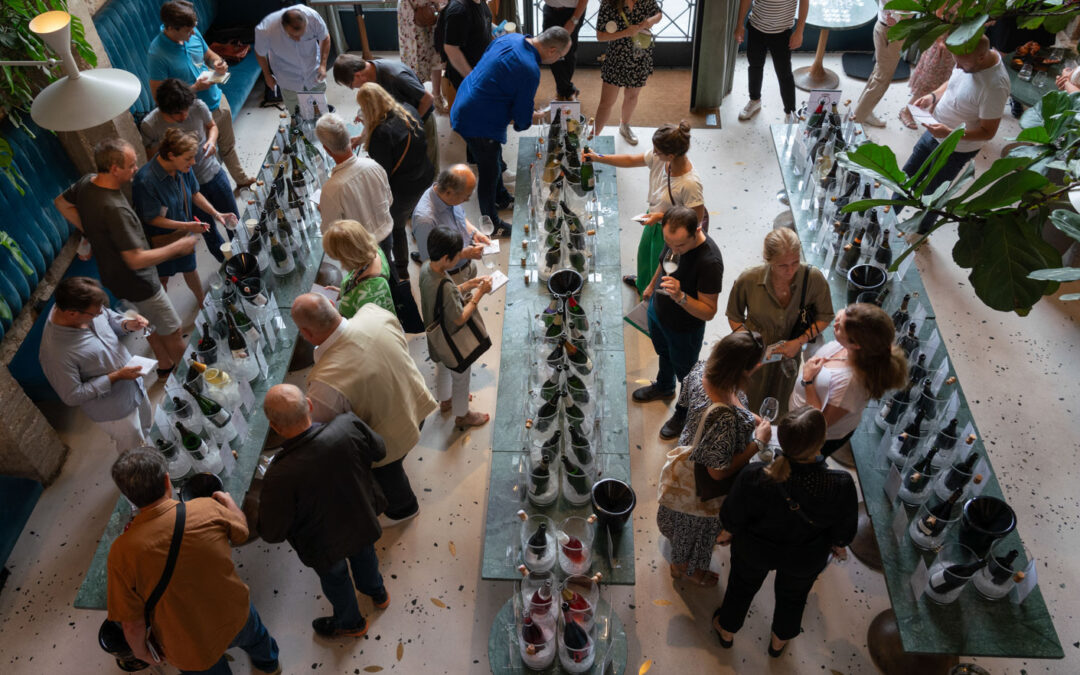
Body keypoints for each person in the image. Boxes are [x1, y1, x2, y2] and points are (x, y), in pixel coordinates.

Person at [106, 448, 281, 674]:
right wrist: (228, 503)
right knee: (258, 641)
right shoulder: (207, 508)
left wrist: (141, 652)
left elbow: (132, 623)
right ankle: (270, 667)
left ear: (129, 497)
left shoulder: (121, 553)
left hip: (189, 642)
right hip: (234, 612)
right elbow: (241, 533)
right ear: (167, 481)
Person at [712, 407, 858, 657]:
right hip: (805, 557)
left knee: (741, 587)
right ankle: (779, 639)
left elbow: (731, 516)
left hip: (754, 549)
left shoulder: (755, 475)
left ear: (782, 438)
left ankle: (727, 629)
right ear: (822, 441)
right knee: (794, 597)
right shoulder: (840, 484)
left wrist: (727, 533)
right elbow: (843, 535)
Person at [291, 293, 438, 525]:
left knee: (390, 475)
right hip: (417, 402)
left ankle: (403, 510)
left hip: (388, 443)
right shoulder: (374, 312)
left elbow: (322, 428)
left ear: (306, 334)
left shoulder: (324, 383)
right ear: (331, 304)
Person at [53, 139, 193, 378]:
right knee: (173, 330)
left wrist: (91, 231)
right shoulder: (116, 209)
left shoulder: (87, 182)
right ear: (114, 169)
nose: (136, 168)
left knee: (145, 321)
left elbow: (61, 203)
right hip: (141, 283)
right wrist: (178, 246)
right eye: (131, 165)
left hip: (113, 278)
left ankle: (163, 364)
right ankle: (195, 381)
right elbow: (136, 260)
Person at [259, 384, 389, 639]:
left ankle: (351, 622)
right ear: (309, 404)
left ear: (274, 427)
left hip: (323, 545)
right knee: (366, 555)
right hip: (360, 517)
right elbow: (380, 450)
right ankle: (377, 593)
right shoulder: (347, 425)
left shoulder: (279, 475)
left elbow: (272, 533)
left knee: (336, 578)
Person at [657, 332, 771, 586]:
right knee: (693, 526)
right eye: (755, 365)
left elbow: (688, 402)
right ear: (743, 371)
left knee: (681, 521)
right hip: (701, 488)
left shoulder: (701, 371)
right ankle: (683, 568)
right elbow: (717, 473)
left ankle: (681, 556)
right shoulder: (725, 419)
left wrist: (748, 416)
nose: (759, 367)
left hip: (688, 452)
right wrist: (758, 443)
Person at [451, 27, 572, 235]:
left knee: (495, 160)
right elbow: (523, 119)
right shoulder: (530, 70)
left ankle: (501, 198)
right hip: (478, 120)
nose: (559, 60)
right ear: (552, 51)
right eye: (561, 57)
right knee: (489, 171)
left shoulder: (511, 38)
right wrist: (534, 116)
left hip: (466, 99)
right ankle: (491, 223)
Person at [899, 35, 1009, 233]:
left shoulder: (995, 86)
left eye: (961, 63)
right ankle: (886, 214)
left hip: (956, 150)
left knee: (933, 193)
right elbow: (952, 82)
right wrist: (932, 96)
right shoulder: (968, 61)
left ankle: (921, 232)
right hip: (933, 132)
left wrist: (951, 134)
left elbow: (988, 132)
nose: (957, 67)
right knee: (905, 176)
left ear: (981, 58)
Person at [634, 207, 724, 440]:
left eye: (680, 246)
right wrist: (652, 286)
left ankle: (683, 412)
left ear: (697, 230)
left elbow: (709, 311)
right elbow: (664, 262)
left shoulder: (710, 261)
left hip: (685, 328)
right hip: (659, 311)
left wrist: (682, 297)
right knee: (663, 353)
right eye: (669, 243)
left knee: (686, 373)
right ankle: (664, 386)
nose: (674, 249)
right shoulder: (673, 236)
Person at [585, 122, 706, 296]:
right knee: (644, 255)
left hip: (670, 229)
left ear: (671, 155)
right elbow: (631, 160)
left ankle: (652, 295)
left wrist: (662, 217)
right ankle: (641, 284)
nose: (653, 152)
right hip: (653, 217)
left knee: (659, 266)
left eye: (657, 150)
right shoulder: (660, 158)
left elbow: (695, 220)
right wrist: (598, 157)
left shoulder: (690, 184)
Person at [726, 228, 833, 418]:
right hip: (755, 357)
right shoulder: (749, 280)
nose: (791, 271)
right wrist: (751, 345)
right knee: (748, 400)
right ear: (768, 260)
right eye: (783, 265)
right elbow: (734, 316)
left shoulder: (813, 279)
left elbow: (825, 317)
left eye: (795, 262)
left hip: (788, 358)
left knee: (781, 402)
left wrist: (799, 342)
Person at [39, 277, 153, 453]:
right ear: (71, 314)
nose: (100, 313)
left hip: (134, 384)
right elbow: (72, 395)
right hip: (115, 411)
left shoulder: (87, 308)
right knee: (134, 450)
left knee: (147, 428)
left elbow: (108, 317)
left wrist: (126, 324)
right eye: (94, 313)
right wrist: (116, 376)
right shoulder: (55, 353)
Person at [147, 0, 254, 188]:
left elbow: (209, 55)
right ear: (171, 28)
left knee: (228, 145)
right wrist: (194, 88)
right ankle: (215, 189)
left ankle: (241, 179)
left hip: (217, 98)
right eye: (187, 32)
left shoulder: (192, 32)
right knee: (206, 157)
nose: (192, 35)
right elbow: (159, 98)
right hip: (191, 114)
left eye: (193, 29)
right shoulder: (157, 55)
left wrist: (218, 62)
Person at [132, 128, 239, 308]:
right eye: (188, 158)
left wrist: (216, 213)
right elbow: (152, 219)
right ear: (171, 155)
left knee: (190, 267)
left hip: (182, 229)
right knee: (163, 278)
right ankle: (163, 309)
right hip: (160, 238)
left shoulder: (183, 168)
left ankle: (202, 302)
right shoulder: (145, 181)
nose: (194, 161)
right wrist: (187, 226)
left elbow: (194, 193)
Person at [141, 77, 239, 263]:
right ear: (163, 110)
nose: (184, 115)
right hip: (186, 187)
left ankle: (245, 256)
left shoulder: (197, 105)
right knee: (208, 231)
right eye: (178, 114)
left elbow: (212, 127)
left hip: (212, 172)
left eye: (186, 109)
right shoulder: (150, 125)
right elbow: (154, 160)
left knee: (232, 218)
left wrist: (211, 141)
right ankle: (228, 265)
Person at [789, 303, 907, 457]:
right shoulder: (848, 347)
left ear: (856, 345)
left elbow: (819, 424)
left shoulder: (851, 385)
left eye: (839, 327)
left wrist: (808, 380)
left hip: (811, 437)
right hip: (799, 420)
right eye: (841, 314)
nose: (835, 323)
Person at [355, 83, 435, 280]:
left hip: (403, 190)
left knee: (396, 227)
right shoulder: (408, 109)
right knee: (413, 212)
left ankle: (401, 270)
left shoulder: (381, 135)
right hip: (424, 174)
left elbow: (382, 173)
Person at [418, 226, 493, 429]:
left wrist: (468, 285)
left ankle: (446, 400)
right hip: (452, 340)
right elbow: (460, 318)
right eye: (456, 256)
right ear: (445, 258)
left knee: (442, 367)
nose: (459, 259)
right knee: (461, 376)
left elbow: (443, 295)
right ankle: (462, 415)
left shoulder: (426, 268)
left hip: (436, 338)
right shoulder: (446, 284)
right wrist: (479, 294)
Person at [332, 53, 440, 170]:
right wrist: (361, 138)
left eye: (351, 86)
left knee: (430, 168)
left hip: (422, 119)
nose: (354, 89)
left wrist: (412, 124)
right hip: (404, 123)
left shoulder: (395, 76)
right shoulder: (370, 78)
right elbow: (375, 114)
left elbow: (428, 99)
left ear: (358, 75)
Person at [315, 113, 394, 259]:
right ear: (348, 138)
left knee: (372, 279)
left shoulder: (331, 190)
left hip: (361, 249)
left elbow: (330, 232)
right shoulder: (374, 165)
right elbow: (389, 200)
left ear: (327, 149)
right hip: (386, 234)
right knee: (387, 263)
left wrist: (324, 209)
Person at [594, 0, 663, 142]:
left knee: (632, 95)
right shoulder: (609, 3)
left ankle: (624, 126)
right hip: (617, 58)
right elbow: (600, 36)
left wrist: (650, 21)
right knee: (606, 102)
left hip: (641, 56)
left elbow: (658, 14)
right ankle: (592, 137)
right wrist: (626, 33)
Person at [410, 164, 491, 282]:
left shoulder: (447, 197)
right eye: (465, 198)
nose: (467, 200)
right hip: (451, 276)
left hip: (467, 264)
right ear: (449, 192)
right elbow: (431, 262)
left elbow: (460, 217)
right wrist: (463, 254)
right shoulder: (425, 221)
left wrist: (474, 232)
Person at [734, 0, 808, 122]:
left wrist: (799, 31)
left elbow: (804, 2)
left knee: (784, 73)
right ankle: (754, 100)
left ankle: (790, 112)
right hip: (756, 28)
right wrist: (740, 24)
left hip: (782, 32)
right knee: (754, 66)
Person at [254, 4, 331, 112]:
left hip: (313, 70)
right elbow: (260, 53)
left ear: (306, 22)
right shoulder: (266, 29)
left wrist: (323, 65)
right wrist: (267, 75)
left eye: (302, 34)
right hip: (287, 76)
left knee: (320, 109)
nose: (298, 39)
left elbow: (325, 37)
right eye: (293, 36)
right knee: (296, 113)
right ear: (282, 26)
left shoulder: (312, 17)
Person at [851, 1, 911, 127]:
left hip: (883, 26)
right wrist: (897, 16)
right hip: (893, 31)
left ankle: (864, 110)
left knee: (879, 71)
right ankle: (857, 120)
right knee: (882, 77)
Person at [322, 219, 396, 318]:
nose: (341, 262)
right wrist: (342, 292)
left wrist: (333, 316)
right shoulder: (373, 252)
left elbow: (364, 330)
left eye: (339, 258)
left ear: (349, 257)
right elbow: (356, 286)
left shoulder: (370, 293)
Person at [398, 0, 449, 112]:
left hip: (432, 11)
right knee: (416, 59)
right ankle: (418, 98)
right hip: (412, 15)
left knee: (436, 54)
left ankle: (436, 96)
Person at [898, 36, 955, 129]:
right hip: (942, 47)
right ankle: (907, 111)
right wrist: (940, 41)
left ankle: (933, 116)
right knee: (927, 83)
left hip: (957, 50)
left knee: (947, 85)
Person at [442, 0, 494, 93]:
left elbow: (484, 23)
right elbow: (451, 48)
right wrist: (472, 78)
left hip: (482, 73)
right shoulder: (459, 10)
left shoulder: (481, 3)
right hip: (467, 80)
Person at [543, 0, 590, 101]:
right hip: (550, 9)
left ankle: (562, 91)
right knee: (550, 51)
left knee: (568, 51)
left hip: (573, 11)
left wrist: (573, 21)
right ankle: (567, 90)